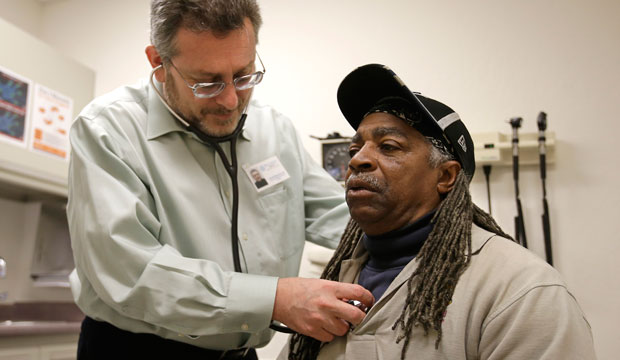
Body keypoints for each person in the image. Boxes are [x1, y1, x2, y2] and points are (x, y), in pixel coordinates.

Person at [66, 1, 373, 359]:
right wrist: (277, 299)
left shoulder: (274, 130)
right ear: (159, 63)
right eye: (207, 83)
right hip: (135, 349)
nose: (230, 101)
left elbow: (342, 218)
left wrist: (423, 233)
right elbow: (132, 274)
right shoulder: (106, 131)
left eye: (243, 76)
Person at [284, 64, 596, 359]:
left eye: (389, 146)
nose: (357, 160)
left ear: (446, 176)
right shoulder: (332, 282)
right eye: (355, 149)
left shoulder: (520, 291)